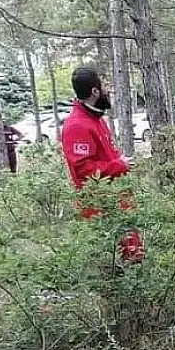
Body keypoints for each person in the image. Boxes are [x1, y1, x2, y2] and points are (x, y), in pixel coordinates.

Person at [59, 66, 144, 262]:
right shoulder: (77, 125)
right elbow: (83, 170)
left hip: (117, 200)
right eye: (105, 86)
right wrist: (119, 166)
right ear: (95, 92)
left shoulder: (96, 119)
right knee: (113, 263)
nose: (108, 91)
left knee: (134, 258)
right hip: (101, 207)